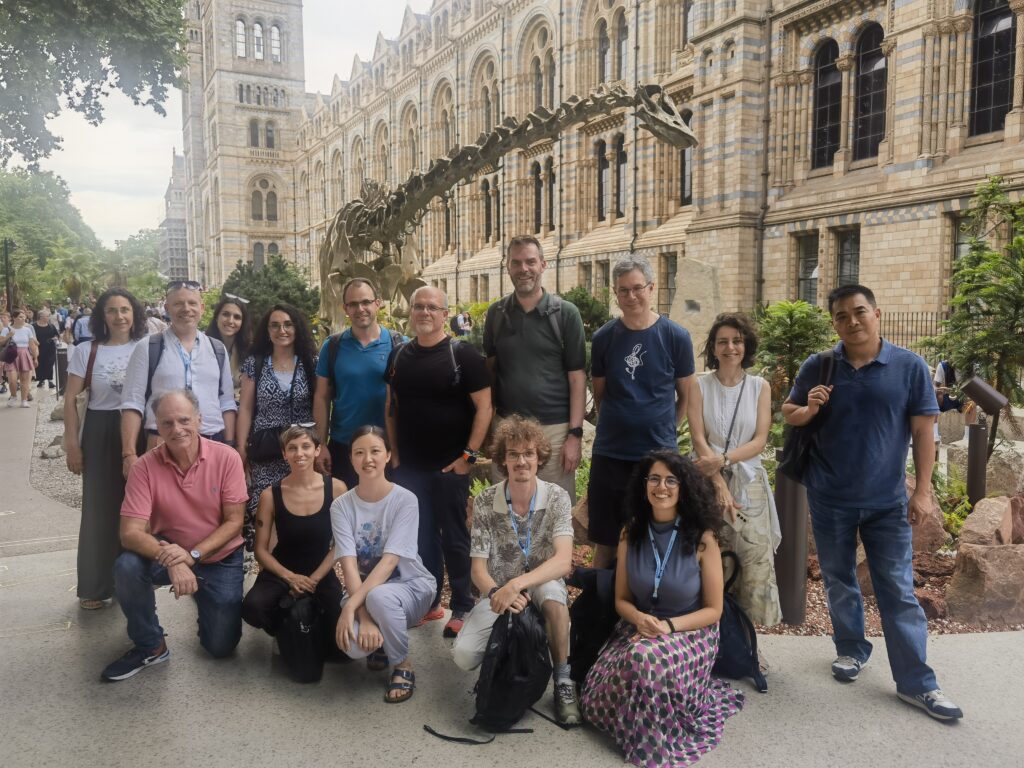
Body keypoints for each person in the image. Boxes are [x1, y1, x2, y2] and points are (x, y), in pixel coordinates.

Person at [782, 284, 962, 721]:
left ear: (876, 313)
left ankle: (918, 683)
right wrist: (808, 407)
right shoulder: (820, 365)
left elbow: (923, 431)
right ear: (834, 323)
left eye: (859, 312)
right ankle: (851, 649)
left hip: (886, 502)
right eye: (842, 316)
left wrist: (921, 490)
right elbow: (789, 413)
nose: (852, 321)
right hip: (829, 497)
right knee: (839, 579)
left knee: (897, 590)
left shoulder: (908, 366)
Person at [580, 450, 743, 766]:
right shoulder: (631, 531)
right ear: (644, 485)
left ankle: (651, 747)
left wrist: (666, 628)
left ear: (684, 488)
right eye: (654, 479)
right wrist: (640, 619)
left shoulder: (702, 538)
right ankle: (653, 711)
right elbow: (622, 600)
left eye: (671, 480)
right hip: (638, 627)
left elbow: (714, 610)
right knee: (593, 702)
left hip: (690, 631)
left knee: (646, 657)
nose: (661, 487)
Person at [101, 389, 247, 681]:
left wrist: (192, 556)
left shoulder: (227, 458)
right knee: (127, 566)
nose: (177, 429)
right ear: (156, 425)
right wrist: (174, 560)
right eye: (167, 423)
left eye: (184, 420)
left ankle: (204, 595)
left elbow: (234, 522)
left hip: (219, 556)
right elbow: (129, 533)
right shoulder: (144, 467)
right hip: (169, 551)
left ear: (199, 420)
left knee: (220, 646)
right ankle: (150, 644)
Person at [451, 415, 581, 725]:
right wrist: (500, 592)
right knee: (464, 655)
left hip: (541, 580)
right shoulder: (485, 502)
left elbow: (563, 561)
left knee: (553, 600)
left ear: (539, 458)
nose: (521, 461)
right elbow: (478, 571)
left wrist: (518, 585)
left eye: (528, 453)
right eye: (513, 454)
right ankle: (506, 661)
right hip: (499, 589)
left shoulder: (557, 497)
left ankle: (563, 681)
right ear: (502, 459)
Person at [385, 286, 492, 637]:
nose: (425, 312)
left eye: (433, 307)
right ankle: (430, 603)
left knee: (455, 536)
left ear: (446, 314)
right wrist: (395, 453)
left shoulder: (463, 355)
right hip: (411, 466)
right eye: (419, 306)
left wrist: (469, 457)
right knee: (421, 536)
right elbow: (392, 407)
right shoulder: (399, 355)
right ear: (410, 312)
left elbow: (485, 408)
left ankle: (463, 603)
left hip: (450, 465)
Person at [587, 258, 696, 568]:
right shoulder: (604, 338)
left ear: (652, 287)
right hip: (611, 452)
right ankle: (600, 611)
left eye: (637, 288)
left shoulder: (676, 336)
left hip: (657, 456)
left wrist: (666, 429)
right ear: (615, 294)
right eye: (623, 291)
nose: (631, 296)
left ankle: (646, 611)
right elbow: (601, 393)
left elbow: (686, 395)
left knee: (655, 540)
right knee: (606, 543)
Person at [330, 426, 436, 703]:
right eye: (359, 453)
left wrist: (352, 606)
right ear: (351, 459)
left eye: (375, 451)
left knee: (379, 596)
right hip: (367, 593)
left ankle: (402, 664)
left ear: (388, 455)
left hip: (411, 587)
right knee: (352, 646)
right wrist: (363, 618)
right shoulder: (341, 506)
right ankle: (379, 641)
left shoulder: (405, 500)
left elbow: (390, 562)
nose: (368, 459)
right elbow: (349, 565)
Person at [689, 313, 782, 628]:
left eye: (737, 341)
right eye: (723, 341)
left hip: (749, 482)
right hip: (706, 482)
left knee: (754, 562)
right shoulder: (699, 386)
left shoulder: (760, 387)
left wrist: (724, 460)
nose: (730, 347)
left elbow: (759, 441)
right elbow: (699, 438)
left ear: (746, 345)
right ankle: (712, 640)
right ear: (713, 348)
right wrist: (717, 481)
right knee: (712, 561)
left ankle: (752, 644)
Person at [483, 235, 587, 501]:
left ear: (543, 264)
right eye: (516, 263)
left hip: (554, 430)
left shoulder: (566, 314)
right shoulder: (496, 314)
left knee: (555, 513)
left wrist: (574, 436)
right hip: (507, 429)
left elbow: (577, 379)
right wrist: (488, 430)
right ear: (507, 267)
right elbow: (490, 374)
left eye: (530, 261)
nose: (523, 269)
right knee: (507, 512)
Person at [64, 288, 148, 610]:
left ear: (134, 313)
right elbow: (70, 400)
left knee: (136, 507)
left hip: (136, 430)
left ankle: (131, 582)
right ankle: (95, 585)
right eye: (112, 310)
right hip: (99, 431)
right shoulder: (87, 351)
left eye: (125, 309)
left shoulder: (144, 348)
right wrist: (73, 444)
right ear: (102, 316)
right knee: (98, 508)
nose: (119, 316)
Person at [241, 425, 347, 658]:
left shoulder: (337, 488)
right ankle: (283, 627)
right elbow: (260, 550)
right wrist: (289, 577)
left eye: (306, 446)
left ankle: (310, 621)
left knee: (340, 643)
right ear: (284, 454)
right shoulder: (270, 495)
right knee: (252, 609)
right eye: (292, 448)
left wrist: (314, 579)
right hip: (281, 570)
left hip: (319, 570)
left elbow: (341, 543)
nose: (300, 453)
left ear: (317, 450)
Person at [120, 280, 236, 478]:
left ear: (202, 307)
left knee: (210, 507)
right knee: (165, 506)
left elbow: (226, 402)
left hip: (211, 440)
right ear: (166, 308)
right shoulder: (148, 348)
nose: (186, 309)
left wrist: (231, 446)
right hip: (162, 442)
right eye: (178, 304)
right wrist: (129, 454)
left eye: (192, 303)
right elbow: (133, 402)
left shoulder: (217, 349)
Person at [236, 303, 317, 551]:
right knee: (267, 515)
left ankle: (302, 577)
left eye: (287, 324)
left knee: (302, 514)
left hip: (301, 451)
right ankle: (274, 579)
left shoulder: (311, 362)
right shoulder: (256, 363)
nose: (282, 330)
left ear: (297, 328)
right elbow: (246, 408)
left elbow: (319, 405)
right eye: (275, 325)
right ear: (267, 330)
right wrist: (241, 450)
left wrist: (321, 444)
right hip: (265, 452)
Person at [313, 278, 403, 488]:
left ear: (377, 303)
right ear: (345, 308)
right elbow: (321, 397)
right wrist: (320, 445)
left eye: (365, 302)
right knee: (346, 511)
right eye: (353, 304)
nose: (360, 309)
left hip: (387, 447)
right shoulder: (333, 346)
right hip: (344, 446)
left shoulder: (399, 344)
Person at [206, 293, 252, 395]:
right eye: (226, 314)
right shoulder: (202, 347)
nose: (230, 321)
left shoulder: (250, 352)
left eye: (237, 317)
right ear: (217, 317)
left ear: (242, 323)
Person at [2, 310, 39, 407]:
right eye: (20, 317)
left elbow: (32, 345)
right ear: (14, 318)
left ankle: (24, 400)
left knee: (25, 380)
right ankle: (13, 396)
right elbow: (1, 342)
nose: (23, 319)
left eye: (24, 317)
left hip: (24, 354)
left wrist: (35, 358)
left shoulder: (27, 330)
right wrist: (8, 336)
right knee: (12, 380)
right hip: (11, 354)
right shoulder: (7, 329)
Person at [33, 307, 61, 389]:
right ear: (41, 317)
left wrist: (56, 338)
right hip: (38, 348)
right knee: (40, 364)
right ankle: (41, 380)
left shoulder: (51, 326)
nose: (49, 317)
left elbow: (57, 335)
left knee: (49, 363)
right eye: (47, 316)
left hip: (50, 348)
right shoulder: (34, 326)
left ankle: (50, 380)